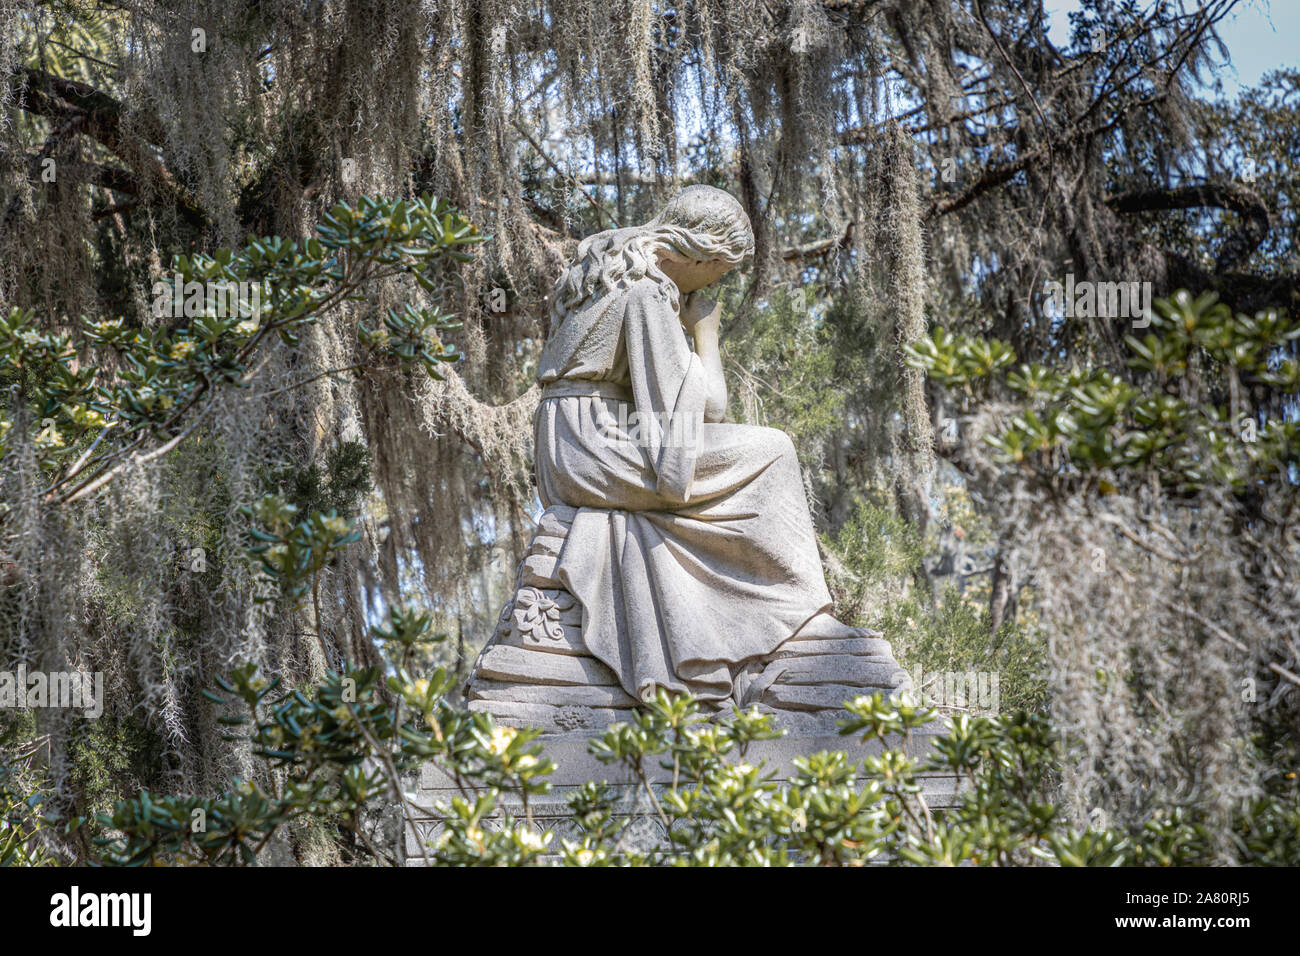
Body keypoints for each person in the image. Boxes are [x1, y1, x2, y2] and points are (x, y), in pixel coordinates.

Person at [535, 185, 865, 703]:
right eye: (721, 271)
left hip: (572, 438)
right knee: (773, 451)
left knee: (750, 454)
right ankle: (799, 620)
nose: (717, 284)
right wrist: (704, 331)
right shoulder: (646, 290)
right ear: (702, 255)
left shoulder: (606, 266)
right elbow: (708, 408)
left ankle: (756, 616)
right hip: (599, 441)